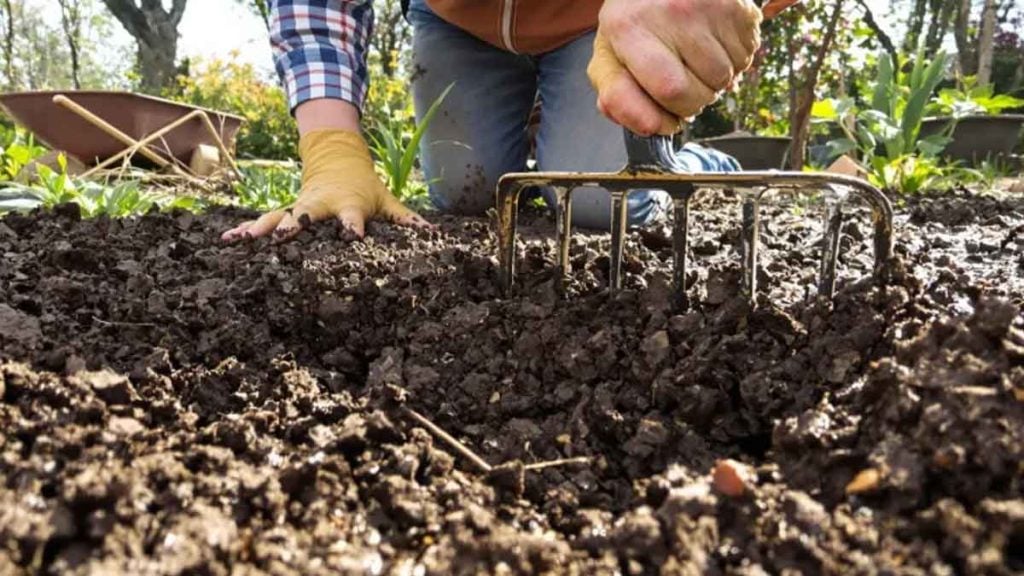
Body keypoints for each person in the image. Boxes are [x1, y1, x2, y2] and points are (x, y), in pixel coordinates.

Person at [222, 0, 790, 243]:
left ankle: (704, 163)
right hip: (457, 21)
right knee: (468, 194)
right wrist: (332, 150)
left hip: (595, 21)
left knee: (597, 203)